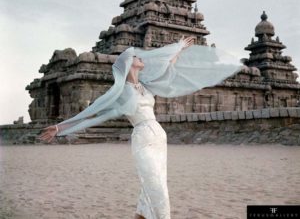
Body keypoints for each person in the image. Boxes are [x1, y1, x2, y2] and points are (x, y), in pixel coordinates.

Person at [38, 35, 243, 219]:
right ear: (129, 64)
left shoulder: (146, 85)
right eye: (136, 57)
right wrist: (60, 128)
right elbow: (92, 115)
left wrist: (179, 48)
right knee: (158, 189)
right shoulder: (120, 93)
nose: (141, 58)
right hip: (142, 139)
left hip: (159, 138)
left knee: (150, 188)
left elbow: (167, 66)